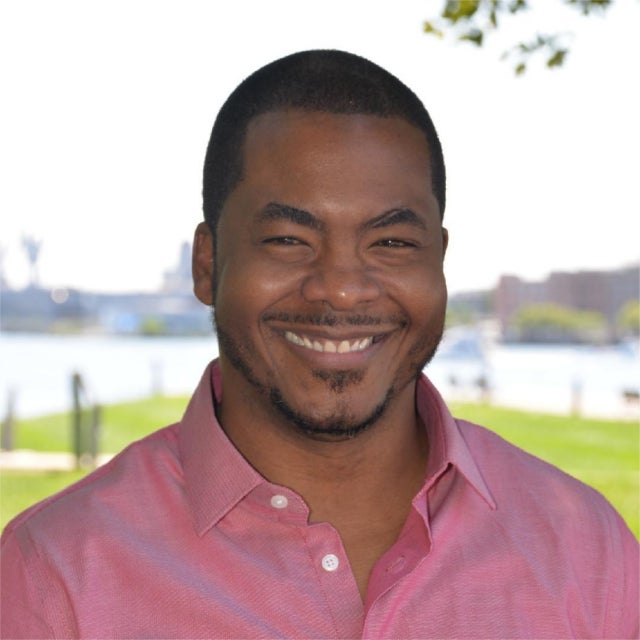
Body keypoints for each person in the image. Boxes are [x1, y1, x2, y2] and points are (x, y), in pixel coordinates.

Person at [1, 49, 637, 639]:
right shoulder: (52, 576)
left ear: (439, 261)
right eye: (288, 239)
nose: (341, 288)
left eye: (392, 242)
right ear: (207, 263)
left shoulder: (590, 552)